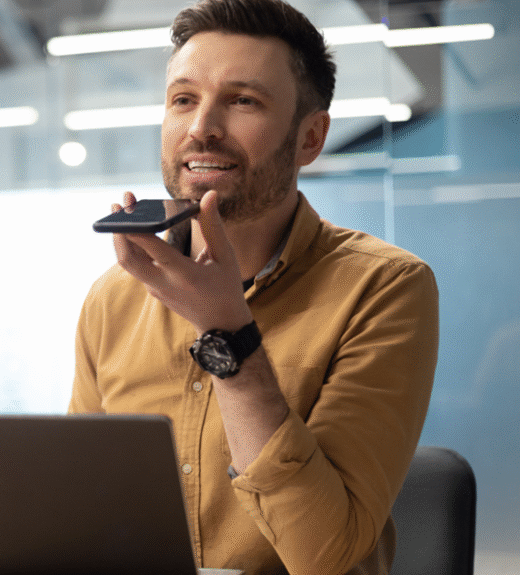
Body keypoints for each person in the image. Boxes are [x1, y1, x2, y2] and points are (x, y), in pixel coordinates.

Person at [68, 1, 439, 574]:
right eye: (183, 99)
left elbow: (325, 555)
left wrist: (229, 337)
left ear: (310, 138)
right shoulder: (113, 298)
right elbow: (78, 511)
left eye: (243, 101)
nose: (201, 129)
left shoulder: (384, 289)